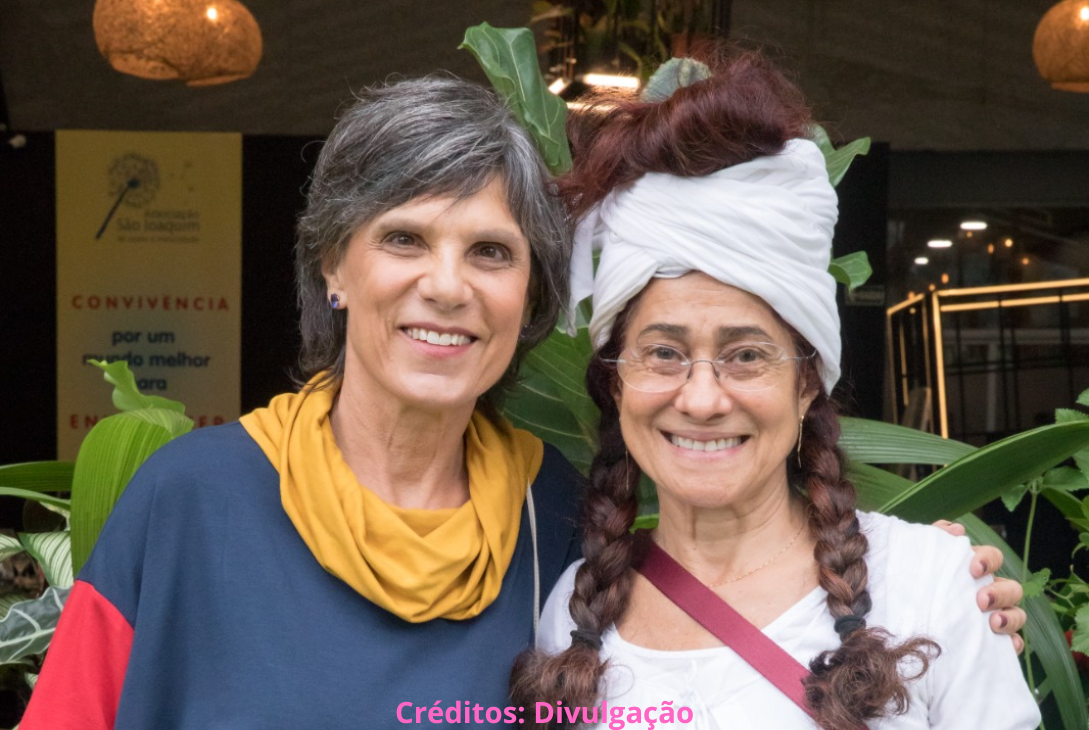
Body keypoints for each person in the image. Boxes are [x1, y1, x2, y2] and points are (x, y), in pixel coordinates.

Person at [22, 73, 1022, 730]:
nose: (448, 286)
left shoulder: (559, 533)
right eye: (405, 238)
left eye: (491, 252)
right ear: (334, 263)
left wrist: (942, 594)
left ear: (529, 297)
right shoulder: (190, 503)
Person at [513, 51, 1040, 729]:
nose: (701, 399)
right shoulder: (568, 617)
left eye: (745, 356)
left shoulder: (930, 587)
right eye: (664, 353)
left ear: (804, 383)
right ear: (616, 383)